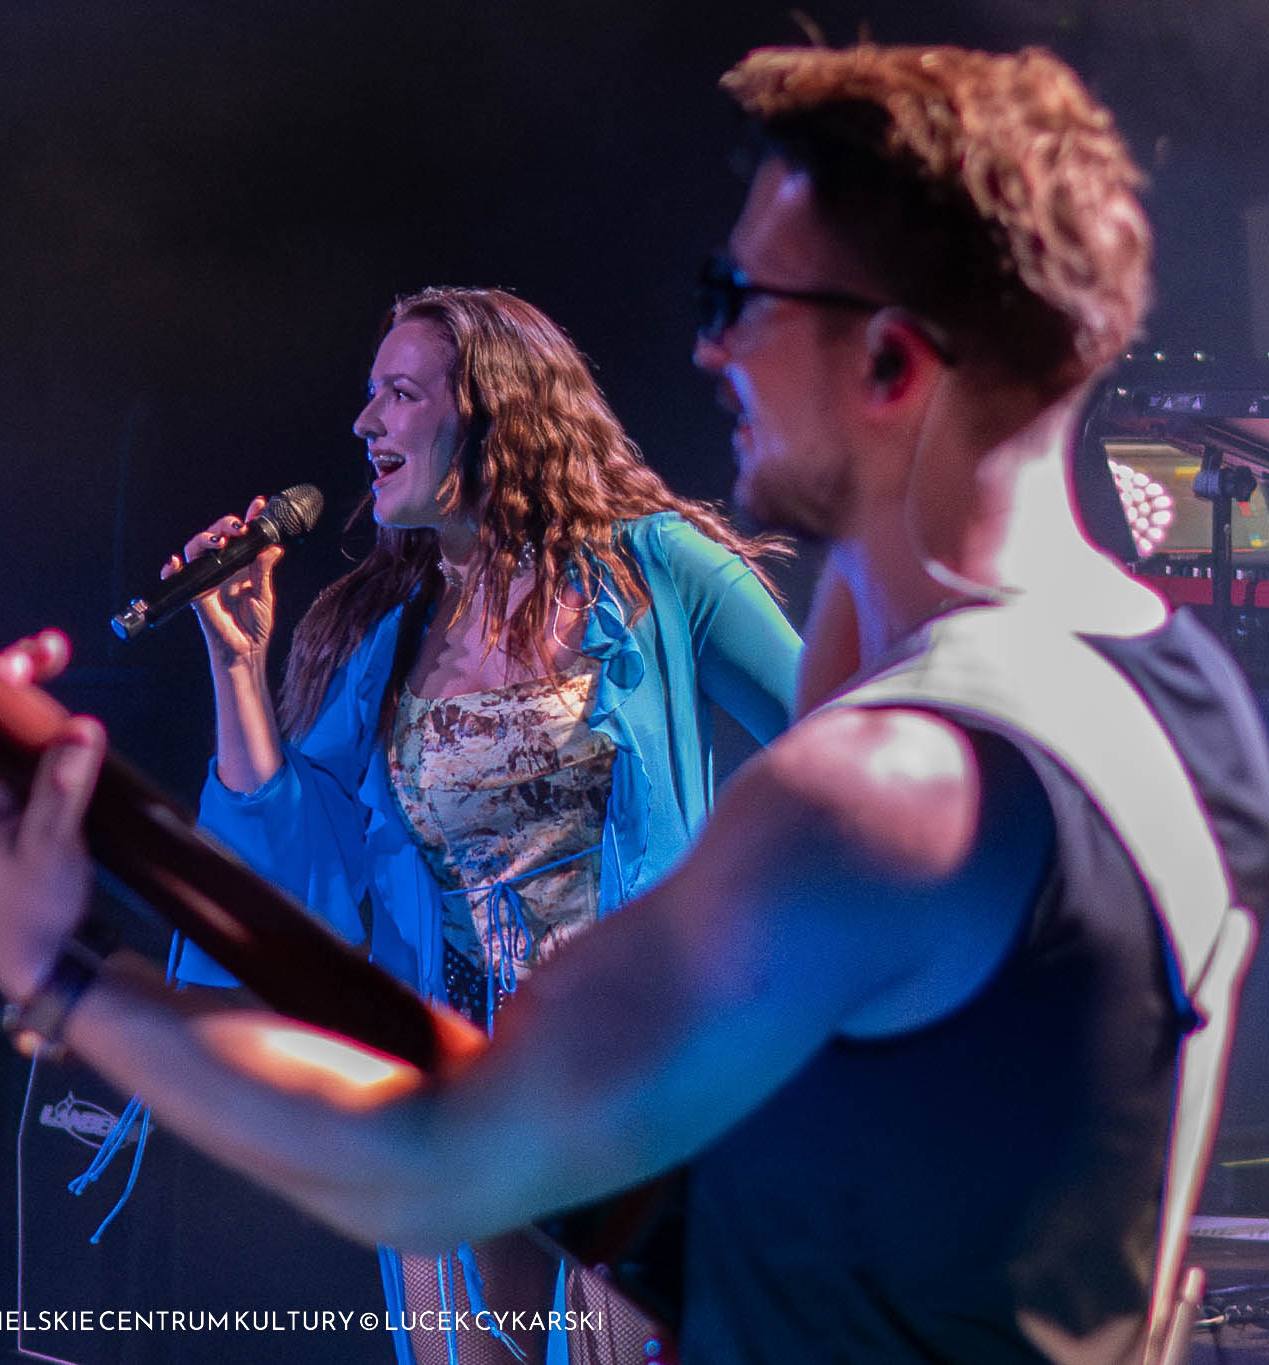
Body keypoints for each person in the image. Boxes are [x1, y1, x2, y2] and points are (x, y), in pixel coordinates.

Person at [0, 42, 1269, 1365]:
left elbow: (426, 1161)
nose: (708, 349)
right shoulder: (1181, 698)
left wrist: (65, 980)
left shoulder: (874, 793)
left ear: (888, 363)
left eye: (740, 298)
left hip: (579, 1130)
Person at [167, 285, 801, 1362]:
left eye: (400, 394)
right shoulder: (391, 638)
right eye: (369, 395)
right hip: (458, 1089)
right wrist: (236, 665)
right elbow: (293, 870)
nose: (365, 422)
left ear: (491, 410)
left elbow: (838, 744)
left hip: (628, 1081)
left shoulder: (656, 569)